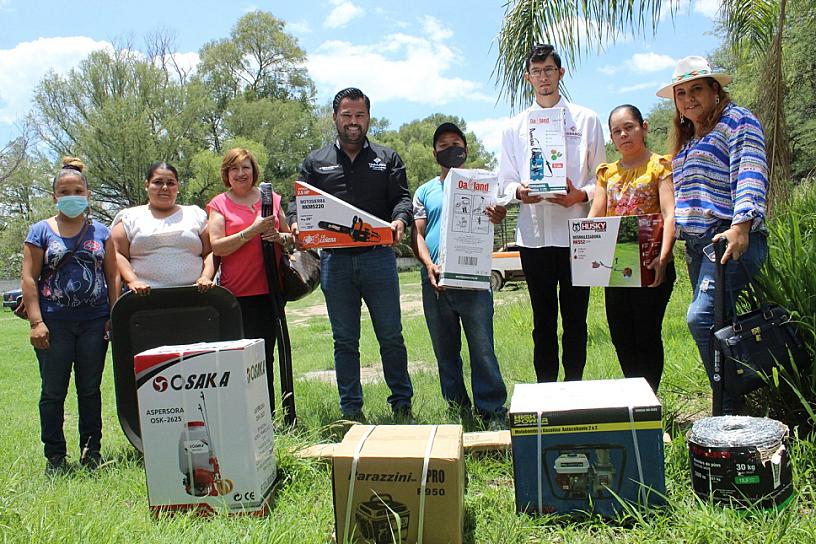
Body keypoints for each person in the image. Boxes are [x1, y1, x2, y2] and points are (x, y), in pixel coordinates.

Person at [288, 87, 413, 421]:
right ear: (335, 118)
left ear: (368, 118)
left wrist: (400, 220)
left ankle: (402, 403)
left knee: (390, 335)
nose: (353, 122)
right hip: (335, 263)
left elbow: (402, 199)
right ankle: (351, 410)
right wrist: (296, 221)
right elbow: (296, 201)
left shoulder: (387, 158)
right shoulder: (316, 161)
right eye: (346, 115)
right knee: (344, 340)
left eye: (359, 115)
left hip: (378, 259)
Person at [656, 56, 768, 413]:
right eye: (681, 93)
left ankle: (732, 408)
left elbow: (750, 169)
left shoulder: (737, 121)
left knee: (700, 317)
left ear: (715, 90)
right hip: (698, 247)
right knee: (718, 326)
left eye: (696, 89)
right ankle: (730, 401)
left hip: (727, 239)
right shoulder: (689, 140)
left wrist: (741, 225)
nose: (688, 99)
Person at [498, 44, 606, 383]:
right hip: (534, 237)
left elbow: (601, 177)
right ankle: (546, 389)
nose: (544, 77)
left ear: (560, 73)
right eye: (537, 72)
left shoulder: (586, 120)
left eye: (549, 70)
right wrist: (520, 193)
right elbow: (505, 180)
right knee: (542, 319)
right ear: (528, 77)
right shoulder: (514, 127)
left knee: (577, 318)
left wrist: (580, 194)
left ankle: (574, 386)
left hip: (579, 235)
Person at [20, 157, 119, 475]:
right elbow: (28, 278)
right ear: (54, 196)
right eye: (65, 191)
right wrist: (37, 322)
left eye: (78, 190)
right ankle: (55, 458)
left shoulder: (102, 231)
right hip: (54, 324)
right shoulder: (39, 231)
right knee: (53, 391)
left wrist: (113, 315)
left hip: (94, 322)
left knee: (90, 390)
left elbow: (113, 276)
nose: (71, 195)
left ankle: (91, 453)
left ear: (88, 194)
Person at [412, 122, 508, 427]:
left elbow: (497, 217)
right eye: (443, 144)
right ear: (434, 152)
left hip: (474, 281)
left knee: (482, 348)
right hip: (436, 281)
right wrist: (429, 265)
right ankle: (458, 409)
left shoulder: (484, 183)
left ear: (465, 150)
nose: (450, 148)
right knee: (445, 352)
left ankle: (492, 410)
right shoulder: (425, 191)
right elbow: (416, 234)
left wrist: (500, 214)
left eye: (456, 142)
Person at [588, 105, 676, 392]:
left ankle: (651, 399)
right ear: (611, 138)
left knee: (647, 333)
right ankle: (636, 397)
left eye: (629, 127)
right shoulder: (606, 173)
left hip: (652, 264)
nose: (623, 134)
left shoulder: (660, 166)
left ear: (644, 127)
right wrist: (583, 248)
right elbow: (596, 216)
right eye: (616, 131)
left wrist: (663, 258)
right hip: (617, 267)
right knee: (621, 334)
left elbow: (669, 213)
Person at [207, 148, 293, 411]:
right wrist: (251, 231)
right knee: (240, 361)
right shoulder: (219, 204)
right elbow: (217, 246)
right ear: (226, 174)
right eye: (234, 169)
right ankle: (242, 415)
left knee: (265, 358)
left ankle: (267, 416)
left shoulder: (272, 199)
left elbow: (291, 239)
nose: (241, 173)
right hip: (236, 296)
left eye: (246, 167)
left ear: (254, 171)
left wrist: (279, 238)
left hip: (269, 292)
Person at [111, 162, 215, 294]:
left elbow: (210, 252)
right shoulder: (129, 217)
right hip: (143, 300)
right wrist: (132, 280)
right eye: (158, 182)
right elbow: (116, 253)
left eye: (171, 183)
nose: (165, 187)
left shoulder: (195, 214)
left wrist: (205, 277)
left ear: (178, 187)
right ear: (147, 185)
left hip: (194, 297)